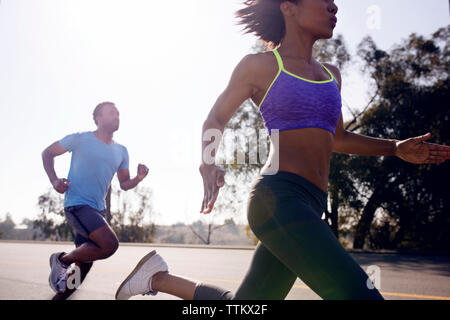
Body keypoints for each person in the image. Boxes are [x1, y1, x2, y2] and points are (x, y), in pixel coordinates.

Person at [115, 0, 450, 300]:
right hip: (278, 199)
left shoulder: (331, 75)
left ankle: (157, 278)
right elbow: (216, 117)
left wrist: (395, 147)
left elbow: (339, 138)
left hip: (311, 203)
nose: (334, 7)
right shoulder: (260, 66)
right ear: (289, 7)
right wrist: (208, 162)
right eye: (324, 0)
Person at [42, 101, 149, 298]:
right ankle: (62, 260)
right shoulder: (80, 139)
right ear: (98, 118)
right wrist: (55, 180)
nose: (116, 116)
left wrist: (138, 178)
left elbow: (124, 184)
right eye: (111, 113)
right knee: (109, 245)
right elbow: (48, 153)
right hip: (77, 205)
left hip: (97, 211)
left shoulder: (121, 151)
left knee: (81, 269)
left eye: (118, 113)